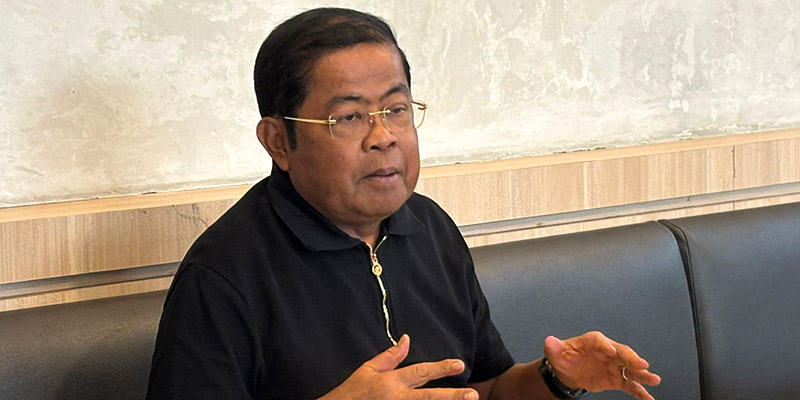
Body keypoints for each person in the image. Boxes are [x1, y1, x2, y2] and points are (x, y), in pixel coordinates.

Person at [147, 7, 661, 400]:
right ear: (278, 141)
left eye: (396, 109)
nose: (383, 136)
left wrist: (555, 377)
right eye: (349, 117)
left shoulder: (430, 226)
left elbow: (483, 390)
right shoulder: (224, 275)